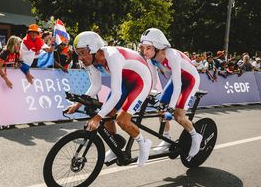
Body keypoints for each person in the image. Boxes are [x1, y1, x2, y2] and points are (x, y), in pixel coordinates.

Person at [66, 31, 153, 167]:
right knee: (106, 113)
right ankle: (116, 146)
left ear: (94, 48)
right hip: (125, 81)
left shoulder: (113, 56)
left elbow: (116, 93)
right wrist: (77, 105)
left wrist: (97, 118)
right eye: (78, 54)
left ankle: (143, 143)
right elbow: (95, 86)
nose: (80, 58)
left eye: (83, 52)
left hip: (141, 81)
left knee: (122, 120)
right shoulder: (91, 61)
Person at [140, 28, 202, 160]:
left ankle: (196, 136)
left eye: (148, 48)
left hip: (190, 80)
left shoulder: (172, 55)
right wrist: (146, 93)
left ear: (158, 47)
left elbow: (179, 85)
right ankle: (167, 138)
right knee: (160, 107)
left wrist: (171, 107)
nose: (145, 52)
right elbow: (153, 79)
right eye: (143, 48)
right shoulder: (151, 58)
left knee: (178, 116)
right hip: (176, 80)